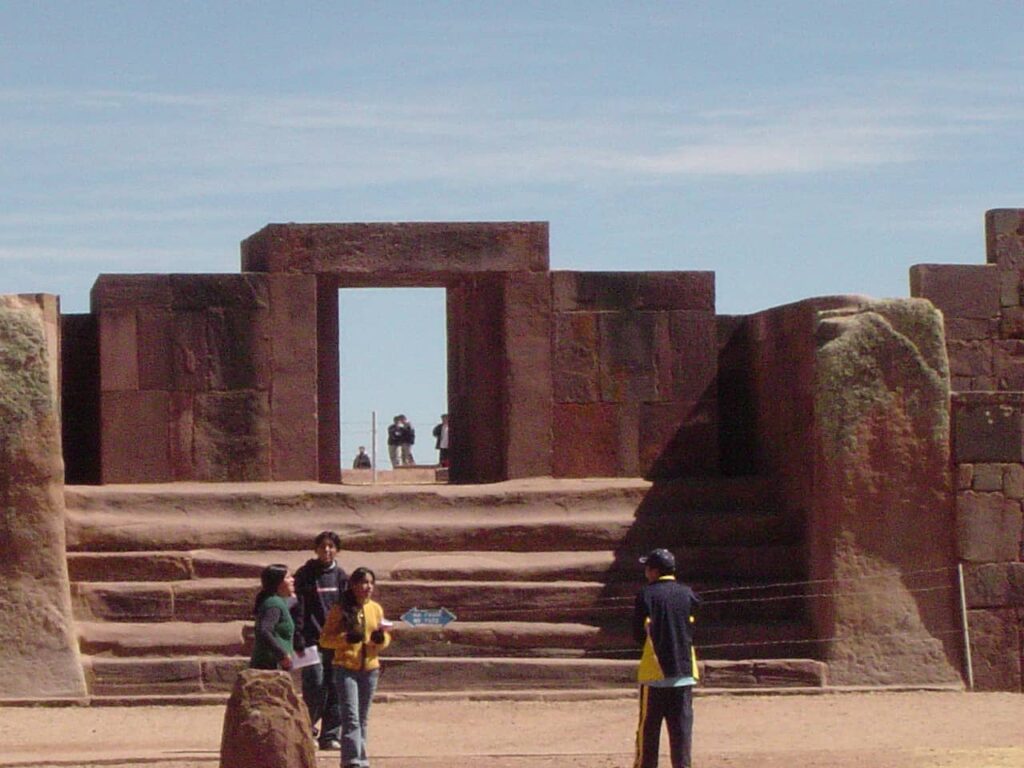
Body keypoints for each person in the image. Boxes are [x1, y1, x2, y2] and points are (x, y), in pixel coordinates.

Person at [632, 548, 700, 768]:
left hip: (654, 672)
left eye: (647, 568)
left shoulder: (646, 595)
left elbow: (637, 634)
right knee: (681, 732)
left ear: (654, 571)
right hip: (684, 672)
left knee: (648, 731)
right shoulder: (688, 593)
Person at [320, 567, 392, 768]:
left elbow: (384, 636)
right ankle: (352, 761)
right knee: (351, 717)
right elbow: (325, 640)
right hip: (346, 668)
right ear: (353, 586)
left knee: (362, 717)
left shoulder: (375, 609)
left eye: (370, 582)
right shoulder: (340, 609)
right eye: (363, 582)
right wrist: (345, 640)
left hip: (370, 669)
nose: (367, 587)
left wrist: (380, 640)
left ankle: (361, 758)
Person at [293, 532, 349, 751]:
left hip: (336, 642)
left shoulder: (341, 576)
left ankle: (330, 734)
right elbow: (298, 607)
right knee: (314, 685)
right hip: (310, 641)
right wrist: (298, 637)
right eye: (323, 547)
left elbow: (348, 608)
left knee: (336, 687)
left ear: (337, 550)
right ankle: (307, 729)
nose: (327, 550)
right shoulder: (305, 574)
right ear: (316, 549)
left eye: (331, 547)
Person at [249, 564, 296, 671]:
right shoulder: (273, 603)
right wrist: (282, 655)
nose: (293, 580)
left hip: (276, 664)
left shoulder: (278, 601)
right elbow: (264, 630)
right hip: (270, 666)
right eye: (288, 577)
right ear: (278, 582)